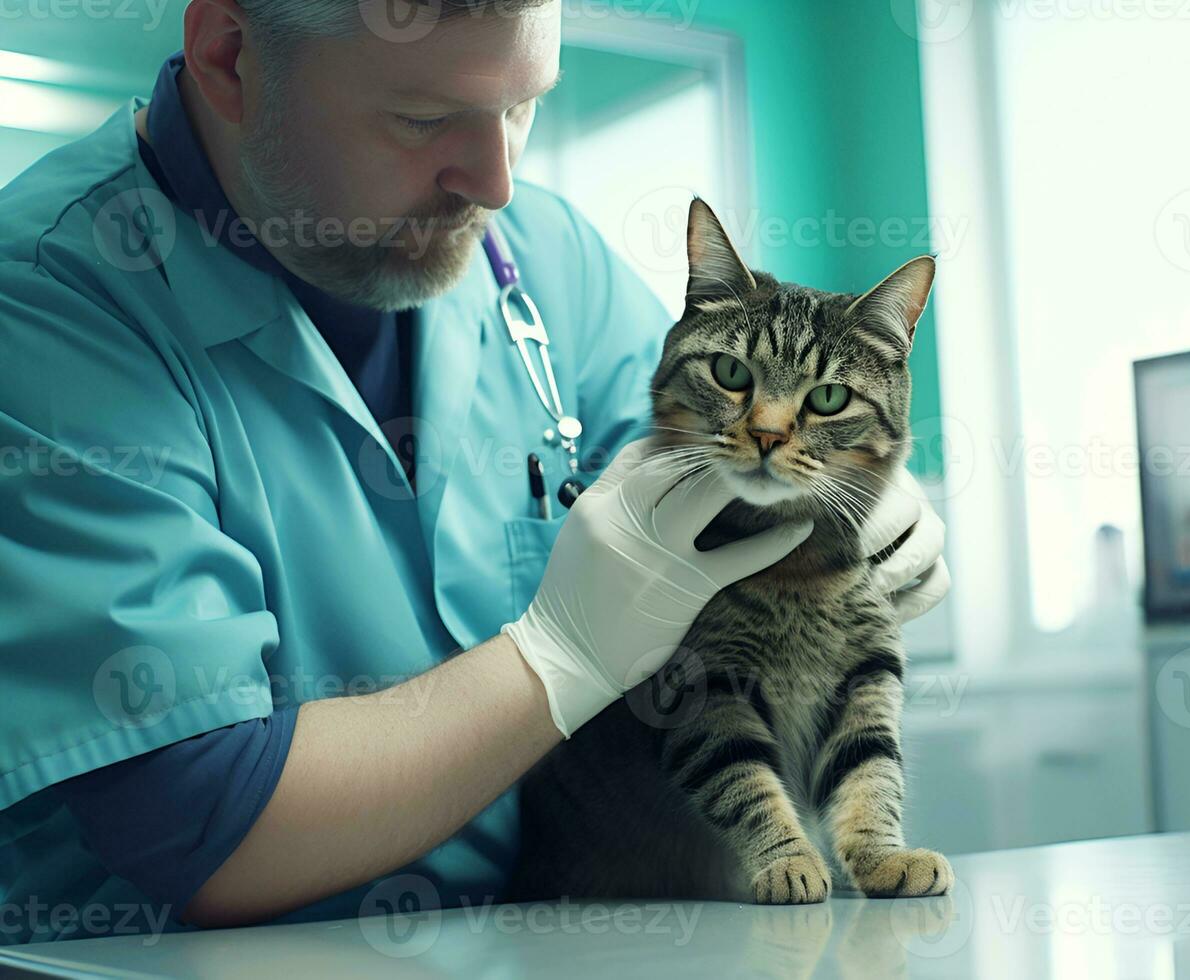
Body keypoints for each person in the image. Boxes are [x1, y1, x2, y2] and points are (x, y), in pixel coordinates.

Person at [0, 0, 950, 944]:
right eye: (422, 117)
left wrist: (859, 515)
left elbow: (696, 494)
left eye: (525, 103)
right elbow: (201, 823)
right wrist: (561, 657)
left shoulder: (545, 254)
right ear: (229, 55)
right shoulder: (52, 300)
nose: (496, 182)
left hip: (521, 946)